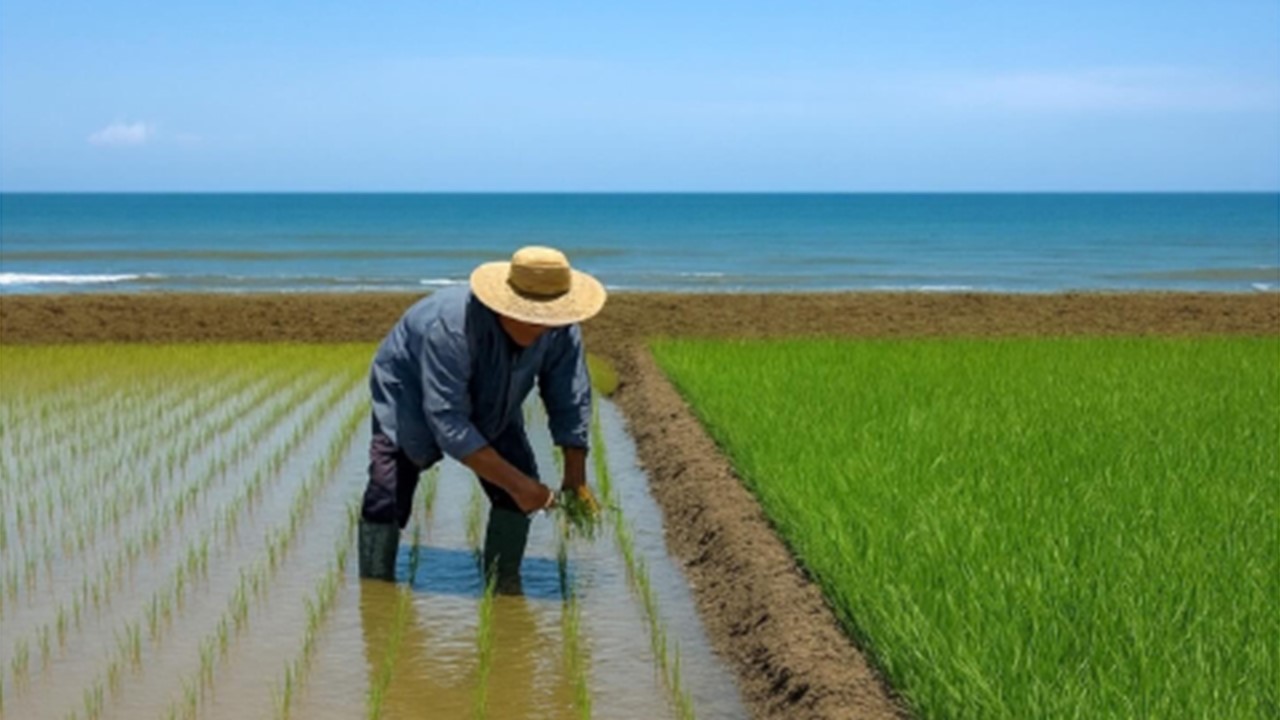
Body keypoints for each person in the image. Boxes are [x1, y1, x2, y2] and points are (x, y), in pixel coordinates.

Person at [358, 246, 605, 589]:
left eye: (551, 318)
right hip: (410, 393)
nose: (543, 327)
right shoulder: (449, 327)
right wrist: (523, 487)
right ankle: (375, 589)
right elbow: (449, 423)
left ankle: (503, 585)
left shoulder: (559, 329)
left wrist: (575, 479)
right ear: (505, 305)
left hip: (495, 401)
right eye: (534, 317)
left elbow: (570, 396)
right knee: (387, 493)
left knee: (516, 488)